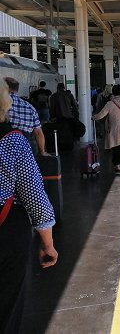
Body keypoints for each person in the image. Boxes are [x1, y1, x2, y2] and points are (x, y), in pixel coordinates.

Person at [0, 79, 58, 333]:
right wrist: (48, 244)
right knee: (6, 307)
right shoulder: (12, 142)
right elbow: (34, 198)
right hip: (5, 232)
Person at [4, 77, 48, 157]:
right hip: (26, 149)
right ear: (17, 90)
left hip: (5, 150)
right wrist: (42, 152)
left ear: (4, 87)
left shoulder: (2, 105)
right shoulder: (30, 107)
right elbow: (38, 133)